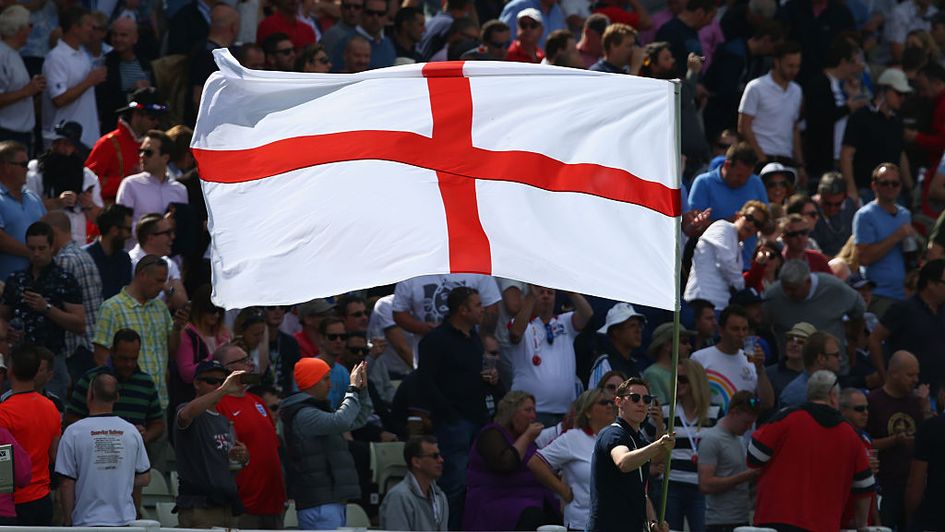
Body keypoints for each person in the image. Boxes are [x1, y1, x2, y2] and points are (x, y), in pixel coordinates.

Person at [748, 370, 874, 530]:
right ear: (833, 396)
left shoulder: (785, 419)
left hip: (776, 520)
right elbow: (865, 486)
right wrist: (862, 524)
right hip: (823, 525)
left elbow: (754, 456)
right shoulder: (851, 435)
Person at [416, 285, 500, 526]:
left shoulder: (474, 338)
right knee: (453, 484)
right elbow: (426, 382)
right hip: (453, 425)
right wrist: (449, 414)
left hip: (478, 420)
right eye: (477, 305)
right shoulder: (435, 340)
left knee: (475, 484)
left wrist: (491, 380)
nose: (483, 310)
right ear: (462, 310)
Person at [281, 357, 371, 530]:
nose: (330, 385)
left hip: (329, 500)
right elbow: (342, 422)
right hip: (319, 504)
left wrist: (362, 390)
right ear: (312, 381)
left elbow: (359, 417)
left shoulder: (315, 409)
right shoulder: (303, 414)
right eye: (325, 378)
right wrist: (352, 389)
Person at [0, 221, 85, 399]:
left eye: (41, 248)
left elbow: (79, 324)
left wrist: (46, 308)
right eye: (32, 248)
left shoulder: (64, 279)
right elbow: (3, 316)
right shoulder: (16, 279)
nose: (36, 254)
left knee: (52, 415)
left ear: (52, 247)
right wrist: (7, 333)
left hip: (50, 362)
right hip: (19, 361)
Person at [463, 391, 571, 530]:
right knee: (533, 516)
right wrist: (526, 437)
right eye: (528, 410)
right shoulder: (491, 434)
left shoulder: (528, 441)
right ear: (511, 412)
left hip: (530, 498)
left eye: (534, 411)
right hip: (496, 499)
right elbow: (506, 463)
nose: (533, 416)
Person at [55, 372, 151, 527]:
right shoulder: (131, 432)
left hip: (85, 522)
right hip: (124, 522)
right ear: (117, 397)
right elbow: (145, 478)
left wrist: (68, 521)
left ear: (90, 395)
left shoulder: (74, 432)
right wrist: (117, 476)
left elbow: (66, 483)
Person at [213, 343, 286, 529]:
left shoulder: (258, 402)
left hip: (274, 506)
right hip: (244, 507)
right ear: (226, 368)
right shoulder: (218, 404)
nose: (251, 364)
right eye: (243, 361)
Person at [93, 255, 181, 410]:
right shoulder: (112, 308)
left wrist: (178, 328)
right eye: (159, 280)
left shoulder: (161, 308)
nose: (163, 287)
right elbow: (101, 357)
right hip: (126, 401)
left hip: (159, 402)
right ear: (142, 275)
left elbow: (172, 351)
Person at [588, 377, 674, 532]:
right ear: (619, 402)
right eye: (635, 398)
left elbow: (642, 490)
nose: (642, 403)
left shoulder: (638, 438)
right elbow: (623, 462)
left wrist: (652, 522)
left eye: (646, 399)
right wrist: (659, 444)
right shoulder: (613, 434)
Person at [65, 329, 165, 449]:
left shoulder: (146, 382)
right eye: (124, 359)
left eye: (134, 359)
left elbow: (158, 423)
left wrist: (144, 437)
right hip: (96, 451)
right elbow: (70, 418)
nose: (129, 364)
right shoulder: (91, 379)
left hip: (132, 454)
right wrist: (99, 433)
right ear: (112, 352)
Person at [508, 285, 592, 425]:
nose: (546, 295)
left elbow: (587, 314)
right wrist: (531, 296)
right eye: (541, 292)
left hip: (564, 412)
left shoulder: (564, 322)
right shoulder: (522, 325)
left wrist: (570, 291)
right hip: (530, 412)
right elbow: (515, 334)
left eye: (550, 292)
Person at [867, 350, 932, 529]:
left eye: (917, 375)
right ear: (893, 373)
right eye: (910, 375)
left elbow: (933, 439)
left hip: (914, 485)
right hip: (886, 486)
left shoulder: (916, 402)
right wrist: (894, 440)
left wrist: (925, 408)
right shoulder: (872, 401)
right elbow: (864, 444)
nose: (915, 380)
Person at [536, 388, 616, 530]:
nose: (610, 406)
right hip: (581, 523)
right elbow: (536, 462)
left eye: (611, 402)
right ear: (588, 412)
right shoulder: (572, 438)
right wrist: (562, 490)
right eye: (603, 403)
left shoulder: (617, 438)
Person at [763, 259, 865, 369]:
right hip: (791, 368)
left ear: (808, 281)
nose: (788, 293)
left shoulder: (833, 288)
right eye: (785, 288)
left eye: (793, 289)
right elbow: (764, 325)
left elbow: (859, 311)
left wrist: (852, 342)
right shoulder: (773, 296)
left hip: (832, 368)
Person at [0, 344, 61, 525]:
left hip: (14, 503)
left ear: (10, 370)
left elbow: (4, 469)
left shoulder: (4, 412)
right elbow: (53, 454)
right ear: (36, 372)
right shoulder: (52, 408)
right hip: (42, 498)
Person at [659, 358, 719, 532]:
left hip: (701, 487)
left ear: (696, 380)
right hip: (671, 486)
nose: (678, 383)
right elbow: (648, 443)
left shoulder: (714, 412)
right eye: (675, 379)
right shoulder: (665, 412)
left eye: (683, 379)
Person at [867, 259, 945, 388]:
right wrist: (884, 375)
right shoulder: (904, 309)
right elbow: (874, 339)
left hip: (939, 390)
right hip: (908, 390)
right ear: (931, 283)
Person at [840, 68, 912, 204]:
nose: (902, 98)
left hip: (894, 193)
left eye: (905, 95)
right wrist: (851, 189)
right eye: (898, 93)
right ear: (884, 90)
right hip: (866, 191)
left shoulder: (897, 120)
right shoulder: (861, 117)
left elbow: (900, 154)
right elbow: (846, 154)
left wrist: (910, 187)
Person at [738, 41, 805, 184]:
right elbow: (744, 126)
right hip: (761, 159)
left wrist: (799, 164)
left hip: (786, 160)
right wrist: (760, 157)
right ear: (777, 62)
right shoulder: (756, 87)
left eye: (797, 66)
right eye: (790, 66)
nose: (794, 70)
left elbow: (794, 129)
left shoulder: (797, 91)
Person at [853, 163, 914, 317]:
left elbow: (908, 256)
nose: (890, 187)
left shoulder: (905, 214)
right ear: (874, 186)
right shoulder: (865, 215)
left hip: (902, 294)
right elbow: (864, 258)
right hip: (878, 295)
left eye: (895, 183)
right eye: (884, 183)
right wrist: (896, 236)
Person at [684, 200, 770, 309]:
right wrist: (742, 287)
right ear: (738, 216)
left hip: (720, 306)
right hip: (700, 301)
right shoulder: (723, 227)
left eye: (757, 224)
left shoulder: (738, 245)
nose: (751, 224)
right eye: (749, 218)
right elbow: (726, 262)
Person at [697, 390, 763, 531]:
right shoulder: (712, 439)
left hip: (741, 519)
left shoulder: (739, 439)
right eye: (746, 422)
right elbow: (705, 484)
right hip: (720, 523)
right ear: (734, 413)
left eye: (752, 423)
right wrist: (745, 476)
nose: (749, 427)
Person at [40, 7, 105, 149]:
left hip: (87, 138)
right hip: (62, 142)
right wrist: (89, 81)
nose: (92, 29)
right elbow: (59, 99)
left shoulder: (83, 54)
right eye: (88, 25)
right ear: (75, 28)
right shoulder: (56, 58)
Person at [692, 304, 775, 411]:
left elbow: (767, 403)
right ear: (721, 331)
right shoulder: (699, 358)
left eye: (745, 329)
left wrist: (760, 369)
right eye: (735, 329)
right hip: (710, 426)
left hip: (745, 426)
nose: (741, 334)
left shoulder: (752, 361)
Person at [116, 130, 189, 243]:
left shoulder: (180, 190)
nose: (142, 156)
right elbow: (121, 226)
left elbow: (183, 230)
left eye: (148, 152)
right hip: (138, 258)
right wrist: (156, 229)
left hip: (170, 258)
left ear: (165, 158)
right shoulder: (130, 185)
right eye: (140, 151)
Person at [171, 284, 229, 417]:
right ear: (199, 309)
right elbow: (187, 374)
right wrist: (215, 356)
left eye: (220, 310)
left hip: (221, 402)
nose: (216, 315)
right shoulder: (187, 334)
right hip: (195, 404)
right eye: (211, 310)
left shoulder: (224, 333)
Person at [0, 5, 45, 154]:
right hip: (7, 135)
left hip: (21, 135)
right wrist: (27, 90)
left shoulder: (14, 53)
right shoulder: (2, 55)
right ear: (19, 29)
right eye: (29, 26)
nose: (31, 30)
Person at [379, 435, 449, 531]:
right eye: (435, 456)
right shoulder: (399, 497)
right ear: (416, 462)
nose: (441, 460)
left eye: (440, 455)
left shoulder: (440, 497)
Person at [0, 141, 46, 281]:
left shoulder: (33, 198)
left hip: (37, 286)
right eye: (23, 164)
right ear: (7, 166)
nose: (27, 170)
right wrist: (32, 253)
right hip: (7, 288)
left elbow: (47, 229)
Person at [905, 384, 945, 531]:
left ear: (942, 394)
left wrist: (910, 516)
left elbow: (916, 480)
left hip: (934, 519)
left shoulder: (931, 428)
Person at [839, 387, 881, 528]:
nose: (865, 413)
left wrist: (876, 520)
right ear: (843, 410)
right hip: (842, 519)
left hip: (864, 521)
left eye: (867, 408)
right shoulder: (836, 439)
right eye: (859, 409)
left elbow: (871, 486)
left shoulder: (865, 439)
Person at [588, 302, 647, 388]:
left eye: (639, 326)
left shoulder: (635, 366)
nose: (638, 330)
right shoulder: (604, 364)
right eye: (632, 326)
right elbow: (596, 398)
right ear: (616, 332)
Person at [83, 204, 133, 300]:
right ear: (114, 230)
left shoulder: (124, 258)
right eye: (128, 229)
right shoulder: (85, 258)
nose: (130, 235)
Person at [779, 331, 842, 407]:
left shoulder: (831, 384)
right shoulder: (797, 395)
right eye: (836, 355)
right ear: (821, 358)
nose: (840, 359)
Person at [640, 322, 696, 404]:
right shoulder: (652, 374)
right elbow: (661, 409)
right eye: (684, 342)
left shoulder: (688, 371)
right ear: (667, 346)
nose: (689, 347)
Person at [765, 321, 816, 400]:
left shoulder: (817, 376)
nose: (794, 344)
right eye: (790, 339)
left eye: (800, 342)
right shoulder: (769, 374)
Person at [811, 171, 857, 257]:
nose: (832, 208)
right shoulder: (810, 210)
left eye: (837, 204)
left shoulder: (849, 206)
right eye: (827, 204)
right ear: (820, 196)